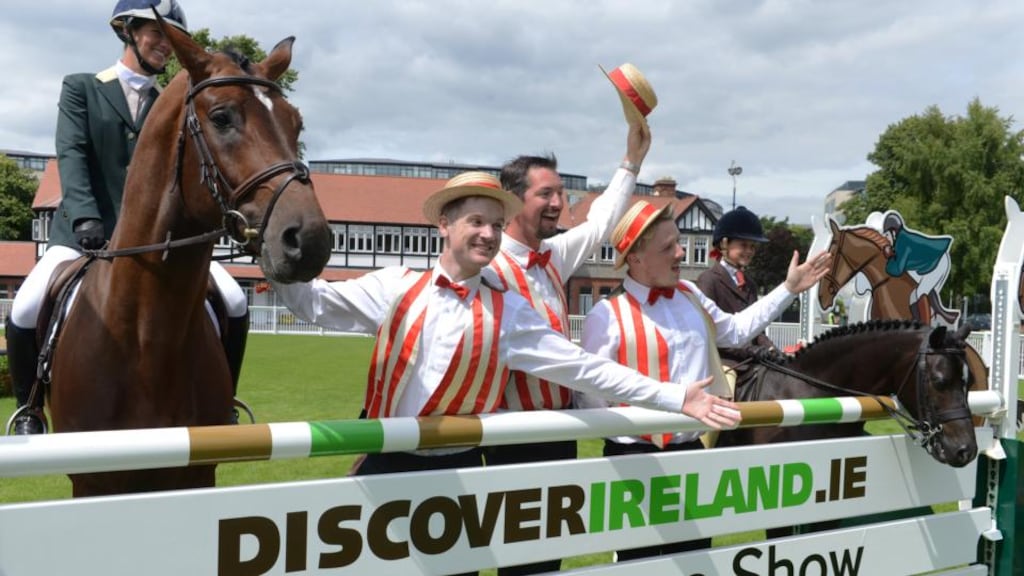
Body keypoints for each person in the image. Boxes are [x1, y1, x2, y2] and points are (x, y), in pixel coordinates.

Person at [267, 171, 740, 469]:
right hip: (388, 461)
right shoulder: (393, 287)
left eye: (495, 225)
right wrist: (272, 251)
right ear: (444, 225)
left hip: (465, 465)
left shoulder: (509, 310)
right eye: (476, 221)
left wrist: (676, 396)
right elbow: (313, 303)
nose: (488, 234)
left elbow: (583, 367)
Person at [4, 0, 249, 435]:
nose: (163, 45)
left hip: (158, 244)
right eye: (155, 33)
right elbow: (72, 155)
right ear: (127, 32)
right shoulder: (82, 88)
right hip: (85, 236)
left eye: (170, 38)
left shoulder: (174, 102)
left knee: (234, 300)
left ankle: (223, 405)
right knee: (25, 307)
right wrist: (84, 218)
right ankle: (31, 410)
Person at [577, 200, 830, 562]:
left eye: (679, 242)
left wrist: (789, 288)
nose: (681, 252)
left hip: (691, 453)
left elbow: (737, 330)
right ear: (635, 258)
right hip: (635, 460)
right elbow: (589, 399)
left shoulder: (690, 294)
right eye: (668, 247)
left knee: (695, 560)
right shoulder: (605, 316)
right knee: (638, 565)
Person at [482, 62, 656, 576]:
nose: (559, 203)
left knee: (547, 560)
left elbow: (601, 220)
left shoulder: (553, 256)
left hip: (562, 431)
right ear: (515, 199)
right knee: (519, 562)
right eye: (546, 194)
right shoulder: (487, 266)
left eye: (560, 193)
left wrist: (631, 160)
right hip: (510, 436)